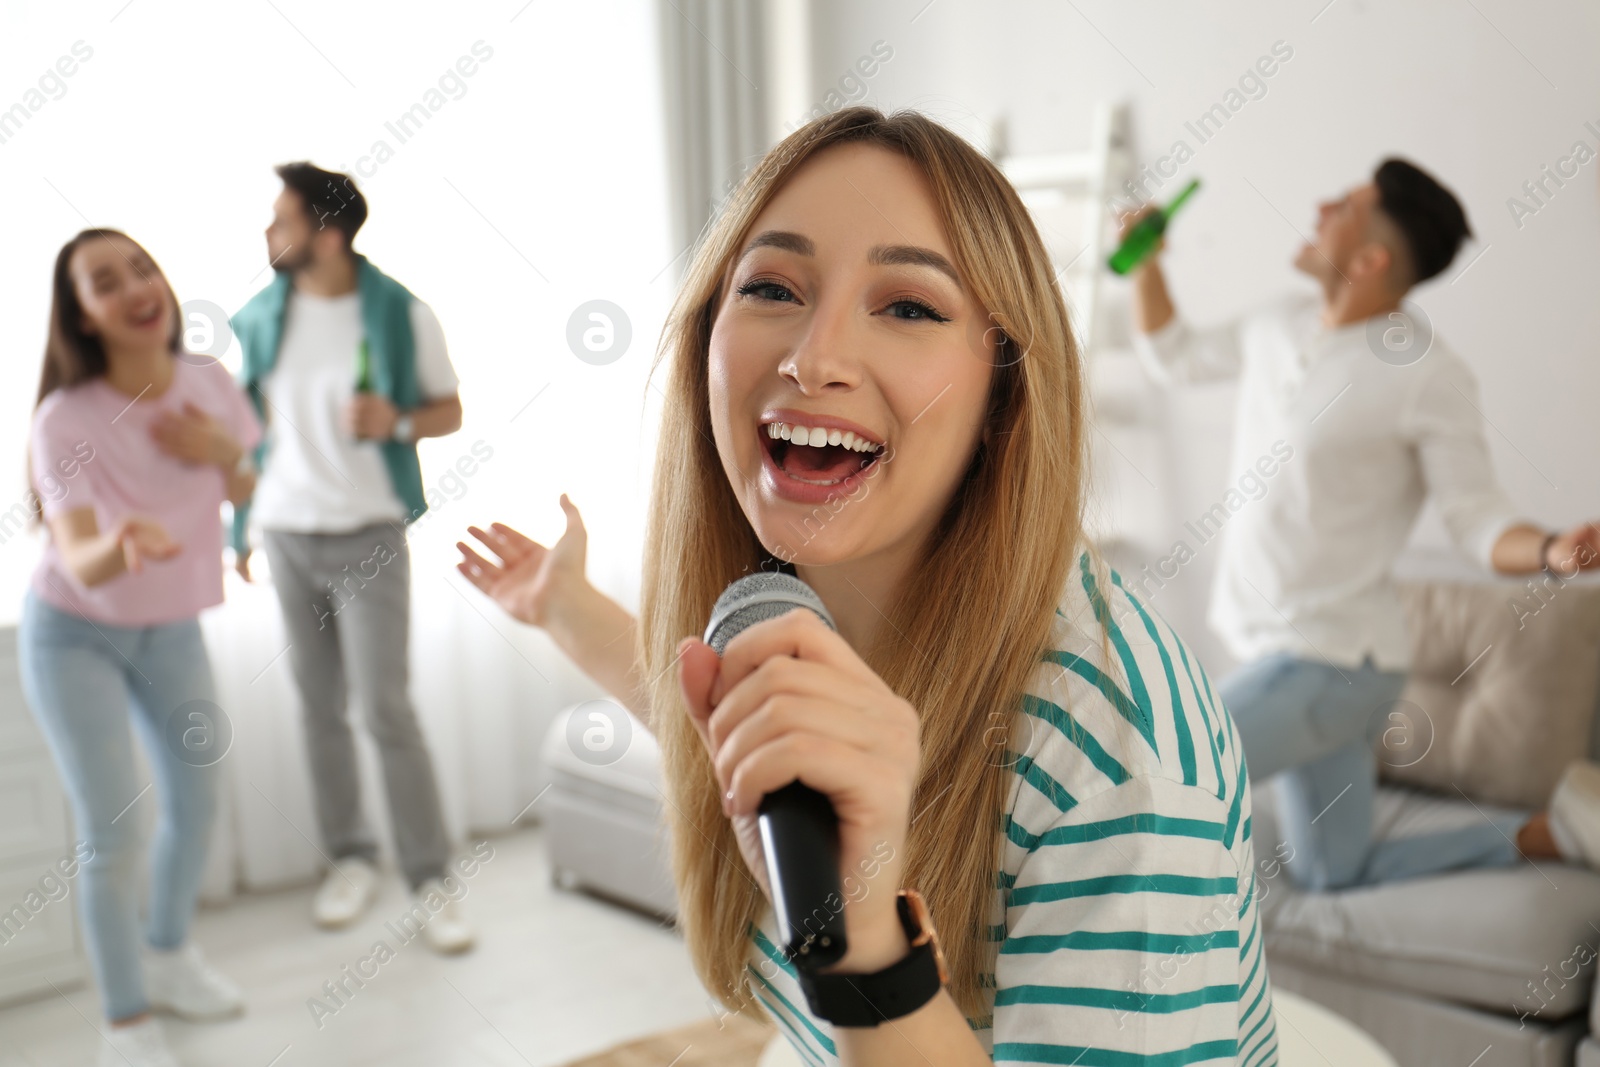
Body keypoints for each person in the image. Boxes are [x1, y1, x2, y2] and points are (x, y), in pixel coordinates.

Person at [459, 108, 1278, 1064]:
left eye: (908, 306)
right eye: (770, 286)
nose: (813, 358)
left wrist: (868, 945)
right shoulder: (792, 597)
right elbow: (699, 716)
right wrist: (561, 606)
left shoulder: (1113, 753)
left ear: (1002, 391)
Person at [1122, 158, 1600, 892]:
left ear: (1370, 259)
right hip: (1294, 651)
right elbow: (1173, 358)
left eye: (1342, 205)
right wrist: (1148, 263)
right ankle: (1551, 830)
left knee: (1159, 778)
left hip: (1332, 662)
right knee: (1330, 873)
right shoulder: (1277, 321)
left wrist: (1549, 549)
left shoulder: (1428, 374)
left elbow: (1476, 522)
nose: (1318, 207)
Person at [19, 230, 258, 1067]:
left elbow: (248, 482)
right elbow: (76, 554)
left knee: (197, 804)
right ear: (82, 315)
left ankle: (168, 956)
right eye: (104, 282)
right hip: (73, 631)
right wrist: (121, 540)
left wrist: (227, 455)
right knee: (113, 828)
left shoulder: (207, 383)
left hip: (171, 626)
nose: (133, 288)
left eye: (141, 268)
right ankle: (124, 1019)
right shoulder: (65, 418)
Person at [228, 162, 472, 950]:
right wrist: (241, 530)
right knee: (317, 709)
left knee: (384, 708)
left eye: (282, 220)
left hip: (368, 532)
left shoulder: (400, 312)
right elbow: (245, 432)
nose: (270, 233)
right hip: (287, 532)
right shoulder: (263, 316)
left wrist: (395, 420)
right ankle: (350, 857)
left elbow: (449, 410)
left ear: (327, 234)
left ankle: (431, 877)